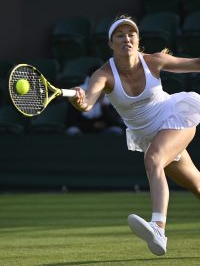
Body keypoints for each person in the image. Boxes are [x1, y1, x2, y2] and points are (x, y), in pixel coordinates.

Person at [68, 14, 200, 256]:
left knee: (152, 160)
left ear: (138, 41)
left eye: (131, 34)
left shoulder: (154, 61)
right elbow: (87, 103)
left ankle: (158, 228)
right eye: (120, 35)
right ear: (111, 43)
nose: (126, 39)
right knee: (197, 184)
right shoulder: (103, 74)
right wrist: (80, 102)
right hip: (151, 135)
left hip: (176, 118)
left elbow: (196, 63)